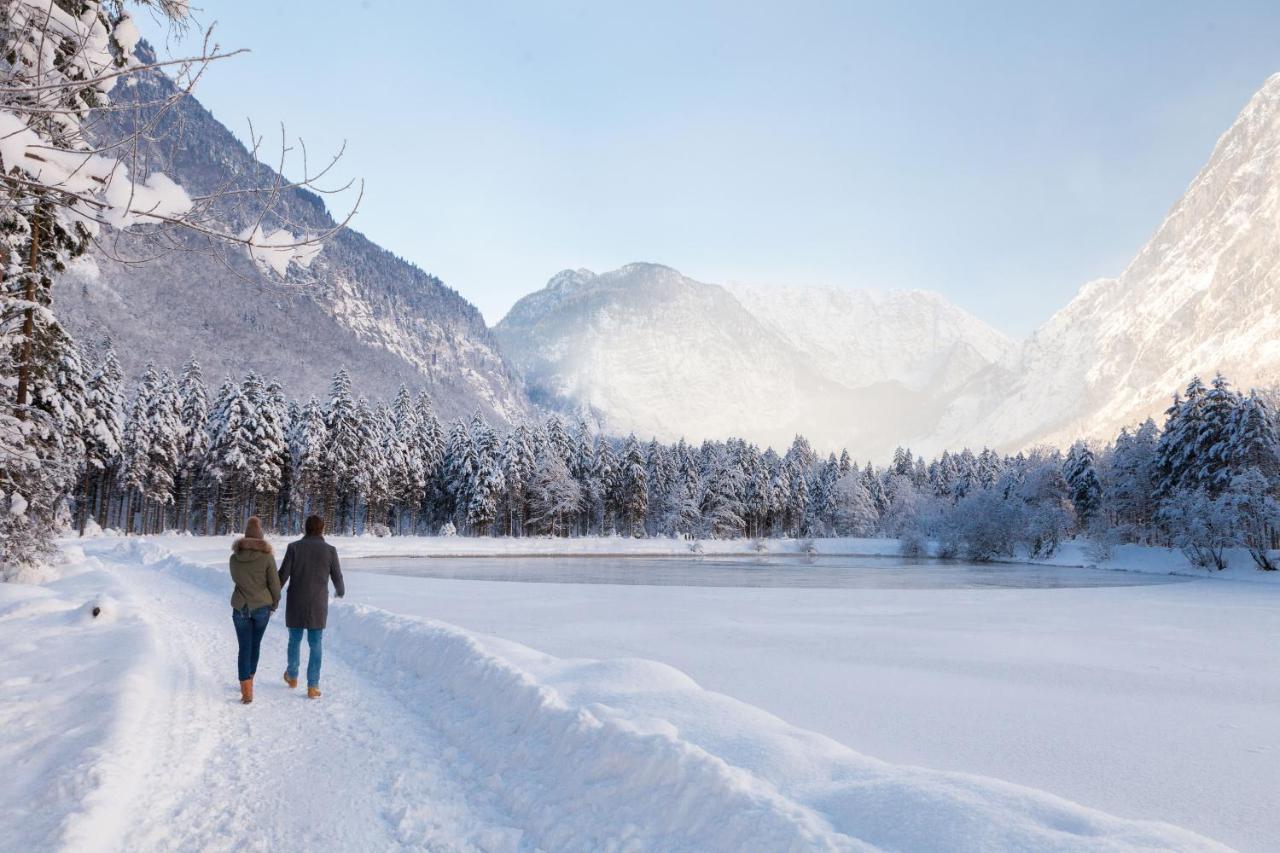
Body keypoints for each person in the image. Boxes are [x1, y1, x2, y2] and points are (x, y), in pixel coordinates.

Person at [279, 514, 344, 698]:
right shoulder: (330, 550)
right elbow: (337, 577)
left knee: (294, 640)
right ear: (322, 529)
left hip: (296, 601)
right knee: (315, 644)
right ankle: (313, 686)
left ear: (305, 528)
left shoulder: (294, 548)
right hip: (317, 603)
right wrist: (340, 590)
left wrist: (272, 592)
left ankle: (292, 675)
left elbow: (283, 575)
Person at [229, 516, 280, 704]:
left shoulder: (234, 558)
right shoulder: (267, 558)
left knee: (244, 647)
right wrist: (274, 603)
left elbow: (237, 579)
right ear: (261, 537)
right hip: (261, 608)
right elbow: (274, 584)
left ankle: (246, 690)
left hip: (240, 607)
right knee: (255, 644)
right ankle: (250, 677)